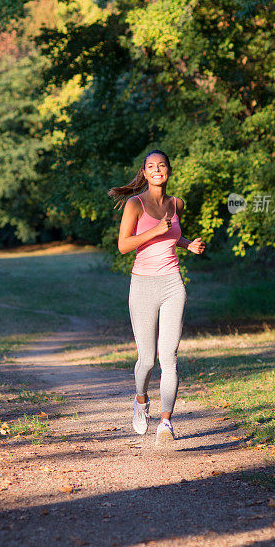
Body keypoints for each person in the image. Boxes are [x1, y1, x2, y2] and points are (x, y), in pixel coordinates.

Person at [108, 150, 205, 446]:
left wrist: (188, 244)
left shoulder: (177, 204)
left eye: (161, 165)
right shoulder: (134, 204)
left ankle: (166, 423)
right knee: (147, 359)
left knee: (170, 357)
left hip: (173, 283)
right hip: (142, 285)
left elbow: (173, 235)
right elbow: (124, 246)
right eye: (151, 166)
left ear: (169, 171)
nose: (157, 170)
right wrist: (154, 232)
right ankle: (140, 401)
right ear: (145, 173)